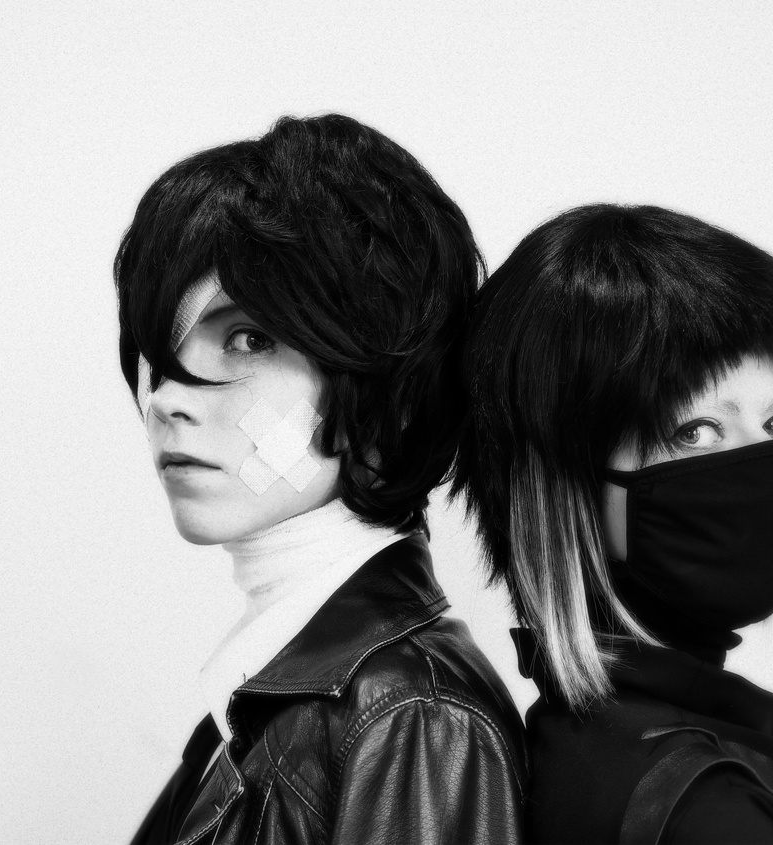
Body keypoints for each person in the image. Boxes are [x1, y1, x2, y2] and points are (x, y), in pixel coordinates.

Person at [114, 114, 526, 845]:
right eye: (161, 344)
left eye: (247, 338)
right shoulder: (273, 686)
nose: (167, 397)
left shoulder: (412, 717)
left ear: (386, 383)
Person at [455, 204, 773, 844]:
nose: (766, 465)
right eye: (695, 430)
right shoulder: (711, 807)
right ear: (568, 489)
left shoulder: (572, 740)